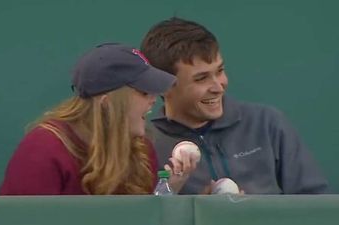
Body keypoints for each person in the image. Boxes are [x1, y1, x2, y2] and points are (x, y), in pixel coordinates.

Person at [140, 17, 328, 194]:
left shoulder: (267, 124)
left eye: (220, 71)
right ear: (163, 87)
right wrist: (195, 211)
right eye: (201, 78)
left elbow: (317, 203)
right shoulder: (145, 146)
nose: (218, 86)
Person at [0, 43, 176, 195]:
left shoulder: (141, 149)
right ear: (107, 103)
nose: (153, 99)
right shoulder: (43, 150)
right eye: (144, 92)